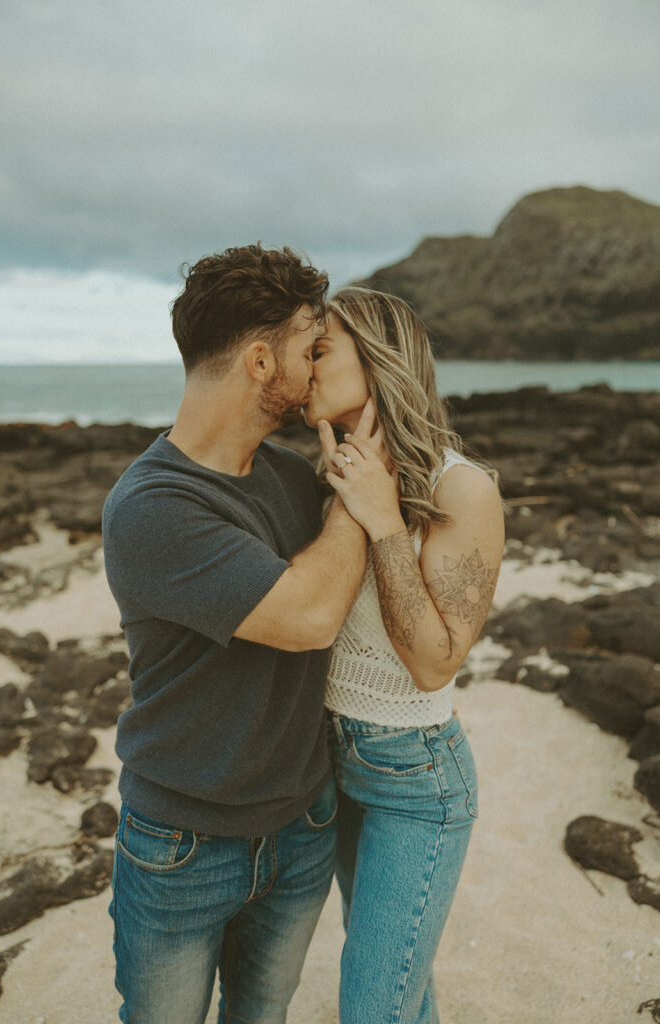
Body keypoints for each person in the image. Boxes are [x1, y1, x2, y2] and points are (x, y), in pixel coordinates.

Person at [102, 245, 377, 1024]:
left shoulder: (294, 479)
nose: (317, 367)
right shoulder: (153, 507)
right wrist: (362, 488)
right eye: (308, 348)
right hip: (183, 844)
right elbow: (309, 615)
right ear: (260, 361)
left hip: (304, 824)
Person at [303, 287, 505, 1024]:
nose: (303, 363)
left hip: (414, 777)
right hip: (326, 759)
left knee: (371, 1008)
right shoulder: (324, 468)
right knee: (394, 987)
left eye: (319, 348)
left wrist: (384, 519)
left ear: (377, 357)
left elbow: (432, 663)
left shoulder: (463, 488)